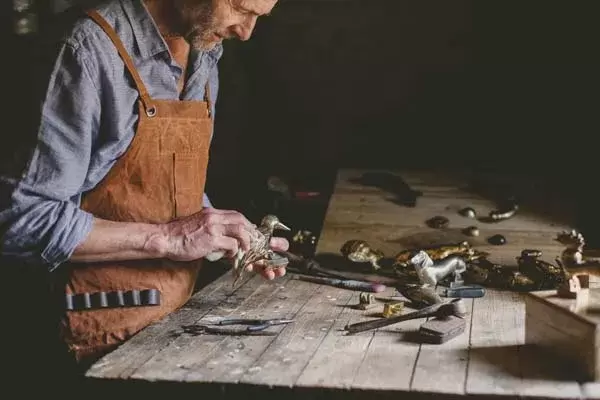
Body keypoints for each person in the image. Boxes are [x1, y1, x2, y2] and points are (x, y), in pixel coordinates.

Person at [0, 0, 286, 379]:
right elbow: (21, 219)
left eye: (258, 17)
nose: (246, 31)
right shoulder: (86, 51)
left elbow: (154, 185)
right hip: (91, 342)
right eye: (240, 8)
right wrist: (167, 238)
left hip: (171, 324)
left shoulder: (204, 50)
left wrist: (221, 234)